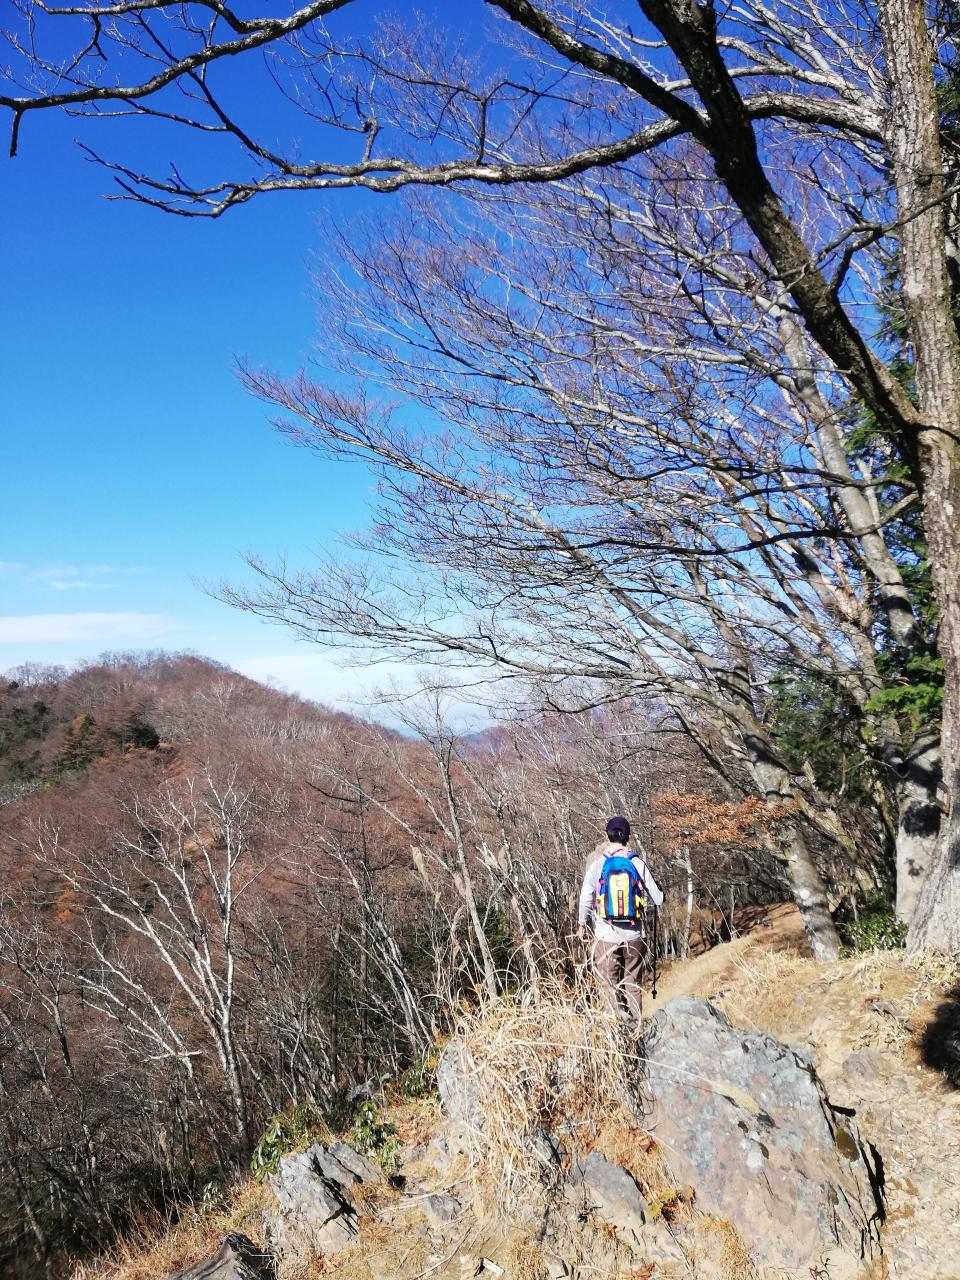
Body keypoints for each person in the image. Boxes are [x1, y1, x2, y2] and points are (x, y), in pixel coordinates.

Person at [578, 815, 663, 1019]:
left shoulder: (599, 864)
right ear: (628, 837)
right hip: (634, 935)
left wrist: (582, 924)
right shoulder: (636, 863)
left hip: (606, 935)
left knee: (608, 984)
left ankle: (615, 1037)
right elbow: (658, 899)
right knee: (632, 983)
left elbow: (585, 898)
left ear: (607, 836)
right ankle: (638, 1031)